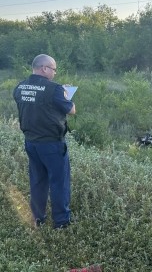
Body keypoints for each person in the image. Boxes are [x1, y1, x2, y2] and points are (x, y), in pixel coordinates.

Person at [13, 54, 76, 229]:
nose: (55, 73)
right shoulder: (54, 89)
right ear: (44, 68)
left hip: (31, 142)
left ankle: (38, 218)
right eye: (54, 69)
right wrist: (65, 94)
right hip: (52, 144)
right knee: (59, 182)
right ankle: (62, 222)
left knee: (38, 180)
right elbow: (71, 110)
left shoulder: (20, 87)